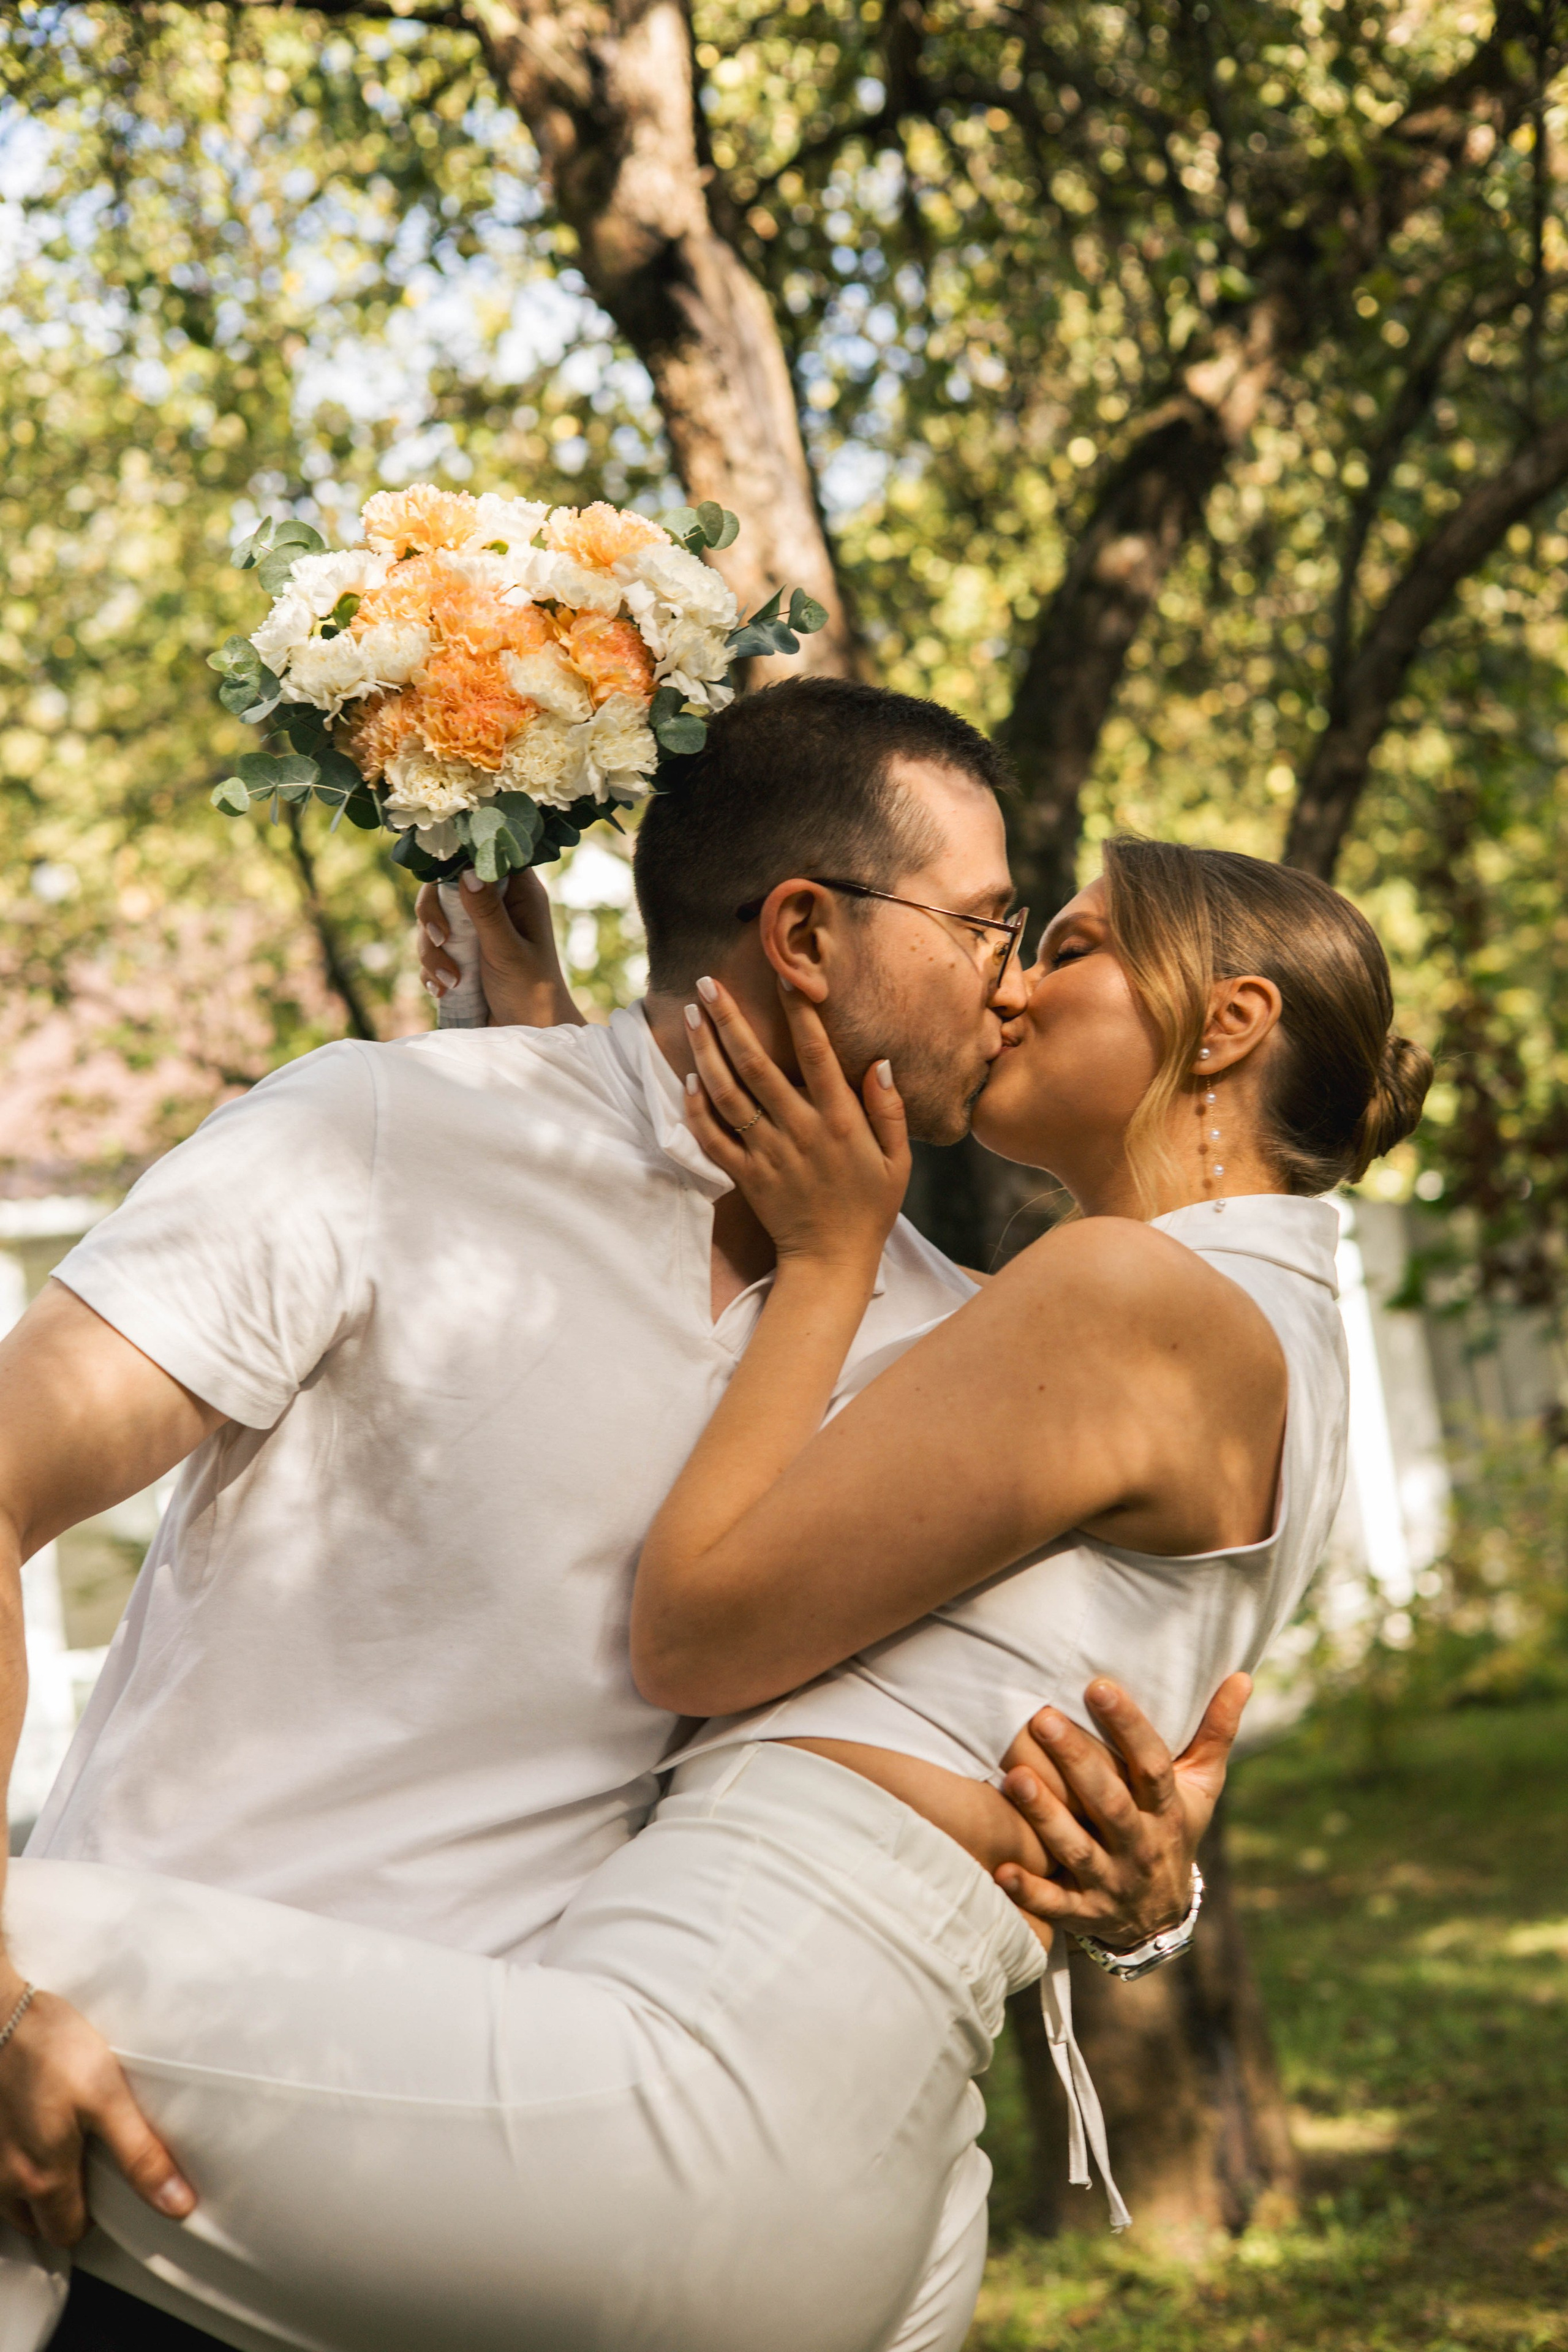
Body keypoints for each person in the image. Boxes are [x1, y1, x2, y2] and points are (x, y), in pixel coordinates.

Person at [0, 827, 1429, 2352]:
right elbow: (717, 1351)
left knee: (33, 1979)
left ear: (1227, 1022)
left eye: (1063, 947)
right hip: (889, 2155)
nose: (1011, 989)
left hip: (717, 2066)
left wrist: (825, 1257)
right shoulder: (1263, 1334)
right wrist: (569, 1057)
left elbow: (693, 1630)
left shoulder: (1109, 1298)